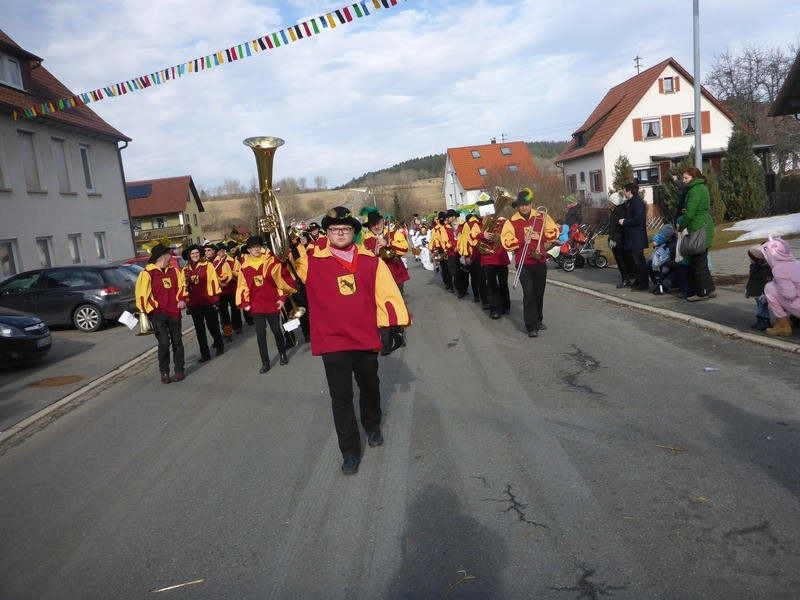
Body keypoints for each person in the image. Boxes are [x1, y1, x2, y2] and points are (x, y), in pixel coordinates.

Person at [293, 206, 411, 475]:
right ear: (327, 233)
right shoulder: (311, 262)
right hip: (332, 339)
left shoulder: (371, 260)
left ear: (353, 232)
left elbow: (387, 293)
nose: (340, 233)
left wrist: (393, 322)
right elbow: (285, 267)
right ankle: (349, 450)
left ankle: (372, 425)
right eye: (334, 229)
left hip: (364, 334)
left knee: (370, 385)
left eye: (345, 229)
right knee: (341, 396)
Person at [501, 188, 559, 337]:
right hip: (524, 263)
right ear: (518, 206)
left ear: (531, 204)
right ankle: (531, 326)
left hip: (539, 261)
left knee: (539, 293)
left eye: (526, 204)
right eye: (521, 205)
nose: (524, 207)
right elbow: (506, 242)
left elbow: (554, 232)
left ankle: (538, 319)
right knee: (529, 293)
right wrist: (522, 241)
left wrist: (540, 237)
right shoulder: (511, 221)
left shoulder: (541, 216)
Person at [236, 235, 297, 372]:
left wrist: (281, 298)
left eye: (258, 247)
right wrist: (245, 302)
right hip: (256, 305)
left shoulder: (269, 261)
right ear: (248, 250)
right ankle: (265, 362)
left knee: (276, 330)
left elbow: (278, 280)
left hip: (272, 302)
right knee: (260, 334)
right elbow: (242, 286)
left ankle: (282, 353)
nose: (256, 249)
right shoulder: (244, 267)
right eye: (253, 248)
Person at [135, 243, 188, 384]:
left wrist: (182, 299)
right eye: (169, 254)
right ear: (163, 256)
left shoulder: (174, 271)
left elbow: (182, 286)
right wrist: (153, 309)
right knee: (164, 343)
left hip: (174, 312)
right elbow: (142, 295)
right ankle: (164, 371)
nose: (171, 256)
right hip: (158, 314)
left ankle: (179, 370)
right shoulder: (147, 273)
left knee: (177, 342)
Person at [362, 210, 410, 355]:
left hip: (395, 276)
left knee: (396, 306)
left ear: (383, 222)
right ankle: (386, 343)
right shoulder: (366, 240)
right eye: (373, 225)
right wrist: (374, 253)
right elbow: (363, 259)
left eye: (378, 223)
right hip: (377, 279)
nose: (376, 226)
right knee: (381, 310)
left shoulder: (394, 234)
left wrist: (388, 244)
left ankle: (398, 335)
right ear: (369, 226)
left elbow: (405, 248)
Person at [676, 167, 716, 302]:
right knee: (702, 260)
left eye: (686, 178)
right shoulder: (700, 188)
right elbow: (695, 209)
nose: (683, 180)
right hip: (703, 225)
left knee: (698, 262)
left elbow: (690, 214)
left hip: (699, 227)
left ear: (694, 177)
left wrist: (681, 227)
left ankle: (702, 292)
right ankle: (710, 289)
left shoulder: (695, 190)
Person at [183, 243, 225, 363]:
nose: (195, 255)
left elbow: (214, 282)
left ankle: (219, 345)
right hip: (194, 304)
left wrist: (215, 300)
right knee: (199, 329)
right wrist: (185, 300)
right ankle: (205, 353)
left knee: (212, 326)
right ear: (189, 256)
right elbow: (182, 286)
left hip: (208, 301)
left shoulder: (207, 265)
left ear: (200, 254)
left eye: (197, 253)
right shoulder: (185, 270)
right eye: (192, 253)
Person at [476, 201, 511, 319]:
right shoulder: (481, 223)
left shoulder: (503, 222)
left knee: (503, 283)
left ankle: (505, 305)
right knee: (491, 285)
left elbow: (510, 234)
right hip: (488, 258)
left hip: (501, 257)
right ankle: (494, 310)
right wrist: (483, 235)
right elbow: (473, 237)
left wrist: (500, 235)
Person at [761, 237, 800, 337]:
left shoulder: (779, 269)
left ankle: (783, 325)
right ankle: (791, 320)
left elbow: (790, 295)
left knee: (769, 288)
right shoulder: (797, 263)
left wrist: (776, 286)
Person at [618, 182, 649, 291]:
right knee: (635, 261)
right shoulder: (632, 202)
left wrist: (625, 221)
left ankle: (643, 282)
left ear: (629, 191)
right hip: (633, 237)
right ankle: (639, 280)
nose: (624, 193)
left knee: (639, 261)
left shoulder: (637, 202)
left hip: (636, 237)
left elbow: (638, 219)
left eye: (625, 191)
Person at [745, 244, 773, 331]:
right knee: (759, 307)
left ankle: (765, 321)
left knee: (762, 307)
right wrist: (747, 289)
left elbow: (767, 283)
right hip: (755, 292)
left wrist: (764, 294)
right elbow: (751, 280)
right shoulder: (754, 268)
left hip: (761, 293)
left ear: (756, 258)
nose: (749, 260)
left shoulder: (765, 269)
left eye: (751, 258)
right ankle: (760, 320)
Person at [213, 243, 237, 340]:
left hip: (231, 288)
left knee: (234, 308)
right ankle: (226, 331)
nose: (220, 253)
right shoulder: (212, 262)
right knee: (222, 312)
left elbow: (236, 273)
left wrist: (231, 272)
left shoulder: (231, 261)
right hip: (220, 292)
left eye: (221, 251)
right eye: (218, 251)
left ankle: (236, 326)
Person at [647, 225, 680, 295]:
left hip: (676, 270)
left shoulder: (676, 245)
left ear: (668, 237)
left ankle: (676, 285)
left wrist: (664, 262)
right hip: (665, 268)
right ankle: (658, 285)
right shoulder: (663, 244)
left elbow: (678, 264)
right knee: (649, 264)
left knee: (666, 282)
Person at [606, 192, 630, 288]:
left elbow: (619, 228)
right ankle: (626, 277)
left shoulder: (619, 212)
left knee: (621, 260)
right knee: (621, 260)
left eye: (611, 202)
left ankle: (625, 279)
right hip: (617, 239)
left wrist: (614, 239)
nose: (610, 204)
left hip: (618, 240)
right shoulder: (618, 210)